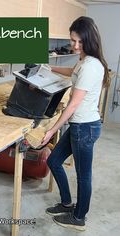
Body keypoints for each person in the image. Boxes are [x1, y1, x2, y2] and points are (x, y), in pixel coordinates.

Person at [40, 16, 109, 231]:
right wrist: (49, 67)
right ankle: (67, 204)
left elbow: (71, 107)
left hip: (84, 128)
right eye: (73, 41)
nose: (76, 46)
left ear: (90, 39)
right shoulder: (84, 60)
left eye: (80, 42)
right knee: (54, 162)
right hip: (80, 126)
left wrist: (51, 130)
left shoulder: (91, 66)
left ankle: (79, 218)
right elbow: (72, 72)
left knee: (83, 176)